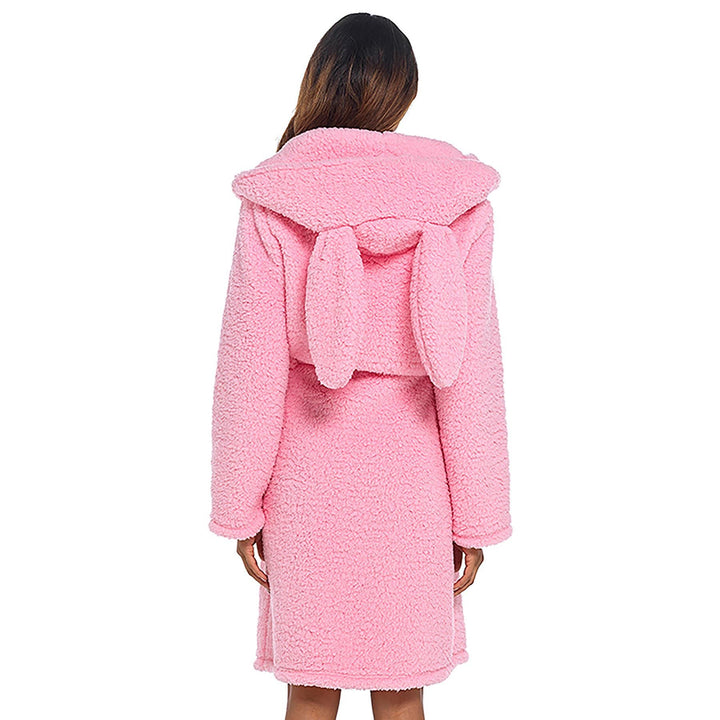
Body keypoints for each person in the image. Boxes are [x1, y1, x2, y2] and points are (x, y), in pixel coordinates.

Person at [209, 12, 513, 720]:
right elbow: (473, 380)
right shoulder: (457, 201)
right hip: (415, 492)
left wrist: (239, 504)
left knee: (310, 692)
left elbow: (248, 373)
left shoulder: (277, 197)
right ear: (402, 93)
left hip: (306, 492)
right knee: (403, 695)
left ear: (319, 82)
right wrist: (477, 515)